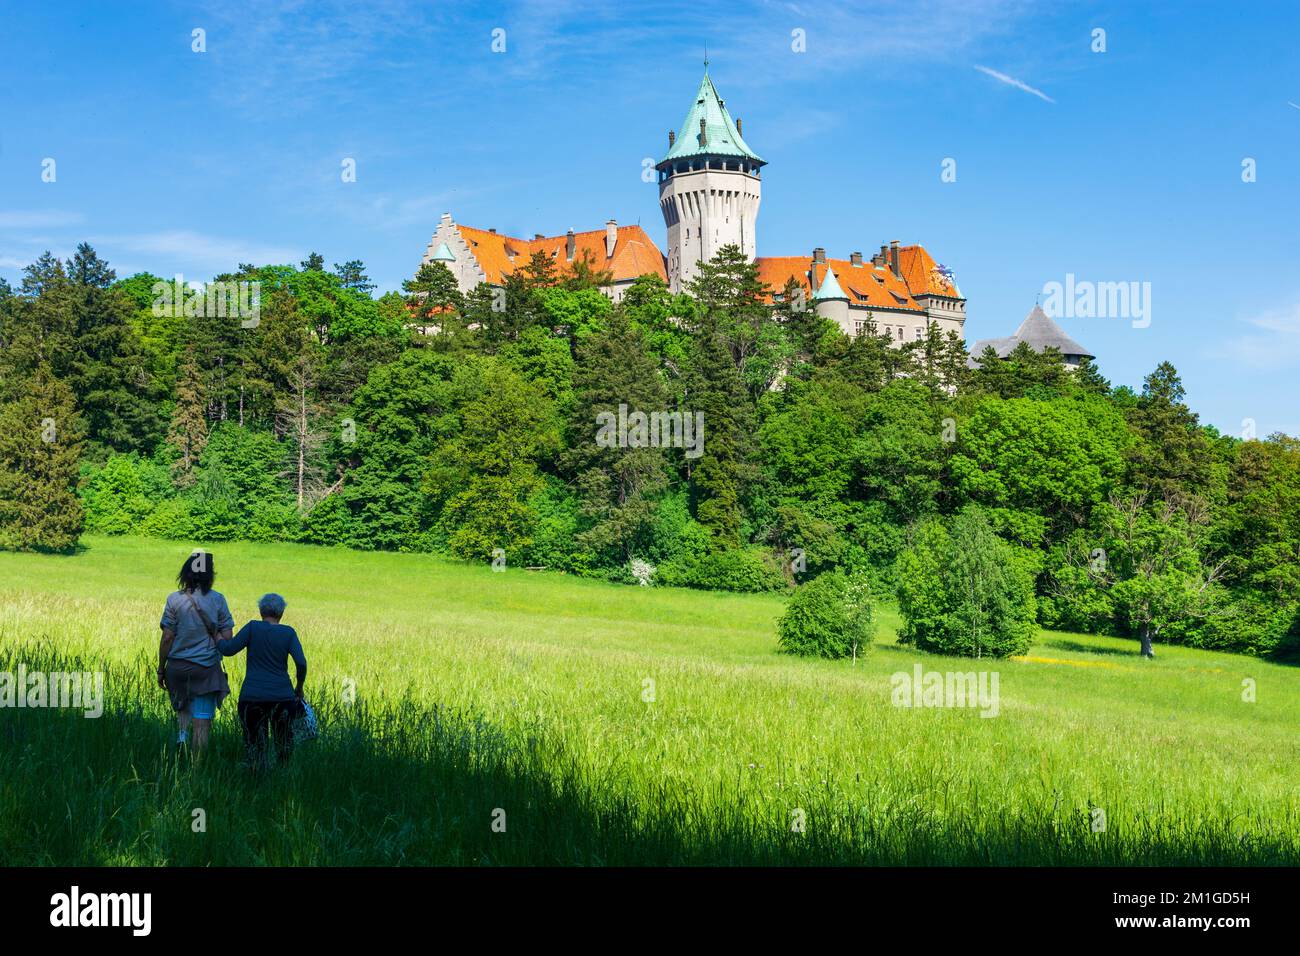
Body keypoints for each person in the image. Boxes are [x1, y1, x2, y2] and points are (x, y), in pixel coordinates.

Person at [217, 593, 308, 769]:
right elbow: (301, 663)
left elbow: (228, 650)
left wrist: (217, 637)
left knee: (255, 747)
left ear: (261, 611)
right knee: (284, 748)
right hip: (282, 697)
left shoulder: (252, 628)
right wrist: (299, 687)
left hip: (252, 697)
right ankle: (280, 781)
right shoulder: (288, 633)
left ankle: (256, 778)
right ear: (281, 613)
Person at [159, 550, 234, 754]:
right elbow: (228, 638)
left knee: (182, 704)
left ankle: (182, 735)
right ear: (210, 574)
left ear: (186, 572)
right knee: (202, 721)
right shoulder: (218, 600)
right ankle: (196, 769)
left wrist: (161, 670)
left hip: (177, 667)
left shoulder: (174, 599)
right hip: (206, 667)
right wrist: (213, 631)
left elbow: (167, 637)